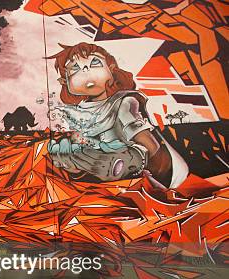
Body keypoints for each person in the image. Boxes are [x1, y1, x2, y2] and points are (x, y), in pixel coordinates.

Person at [47, 42, 188, 188]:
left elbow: (151, 147)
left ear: (112, 69)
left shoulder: (123, 103)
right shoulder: (75, 113)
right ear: (65, 82)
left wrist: (130, 162)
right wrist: (74, 165)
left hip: (136, 173)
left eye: (95, 62)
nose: (86, 70)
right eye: (75, 68)